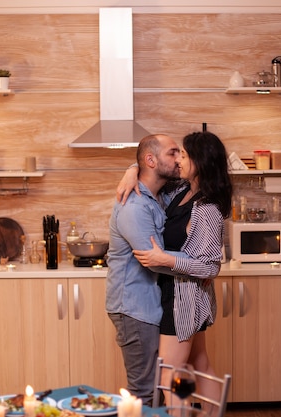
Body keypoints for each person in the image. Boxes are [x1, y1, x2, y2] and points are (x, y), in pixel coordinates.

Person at [119, 131, 232, 414]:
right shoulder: (182, 191)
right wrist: (132, 170)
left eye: (183, 154)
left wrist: (165, 259)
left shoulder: (206, 208)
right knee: (200, 364)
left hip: (184, 299)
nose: (179, 159)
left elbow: (210, 265)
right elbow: (151, 176)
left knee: (170, 374)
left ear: (199, 161)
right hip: (182, 293)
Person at [105, 133, 181, 406]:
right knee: (144, 392)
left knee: (152, 389)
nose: (179, 159)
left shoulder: (157, 195)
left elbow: (197, 176)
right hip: (134, 308)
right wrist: (200, 266)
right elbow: (155, 258)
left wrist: (132, 168)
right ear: (151, 160)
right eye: (173, 153)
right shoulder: (134, 205)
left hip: (145, 305)